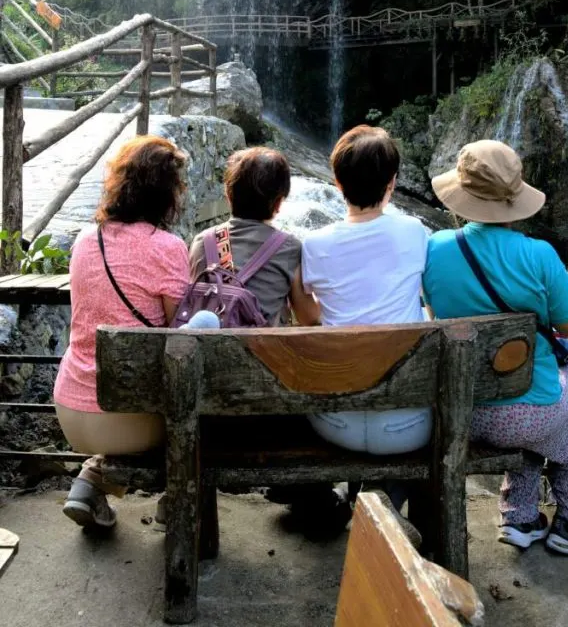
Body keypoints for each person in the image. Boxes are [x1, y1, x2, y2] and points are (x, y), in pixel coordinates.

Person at [423, 139, 568, 556]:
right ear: (515, 197)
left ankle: (519, 516)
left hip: (461, 412)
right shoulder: (537, 255)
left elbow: (436, 323)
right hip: (525, 418)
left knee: (540, 399)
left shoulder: (433, 250)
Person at [54, 136, 191, 529]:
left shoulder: (85, 240)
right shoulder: (166, 246)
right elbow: (178, 332)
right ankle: (176, 504)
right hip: (126, 419)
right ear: (167, 193)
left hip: (71, 407)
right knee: (190, 404)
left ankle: (90, 482)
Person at [301, 125, 431, 538]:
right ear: (393, 183)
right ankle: (384, 507)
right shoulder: (416, 233)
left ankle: (360, 506)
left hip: (334, 425)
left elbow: (307, 316)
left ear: (337, 183)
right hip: (408, 428)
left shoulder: (314, 245)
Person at [189, 146, 319, 327]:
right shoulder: (289, 247)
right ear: (279, 203)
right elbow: (309, 317)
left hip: (207, 350)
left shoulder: (203, 241)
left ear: (228, 195)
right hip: (262, 353)